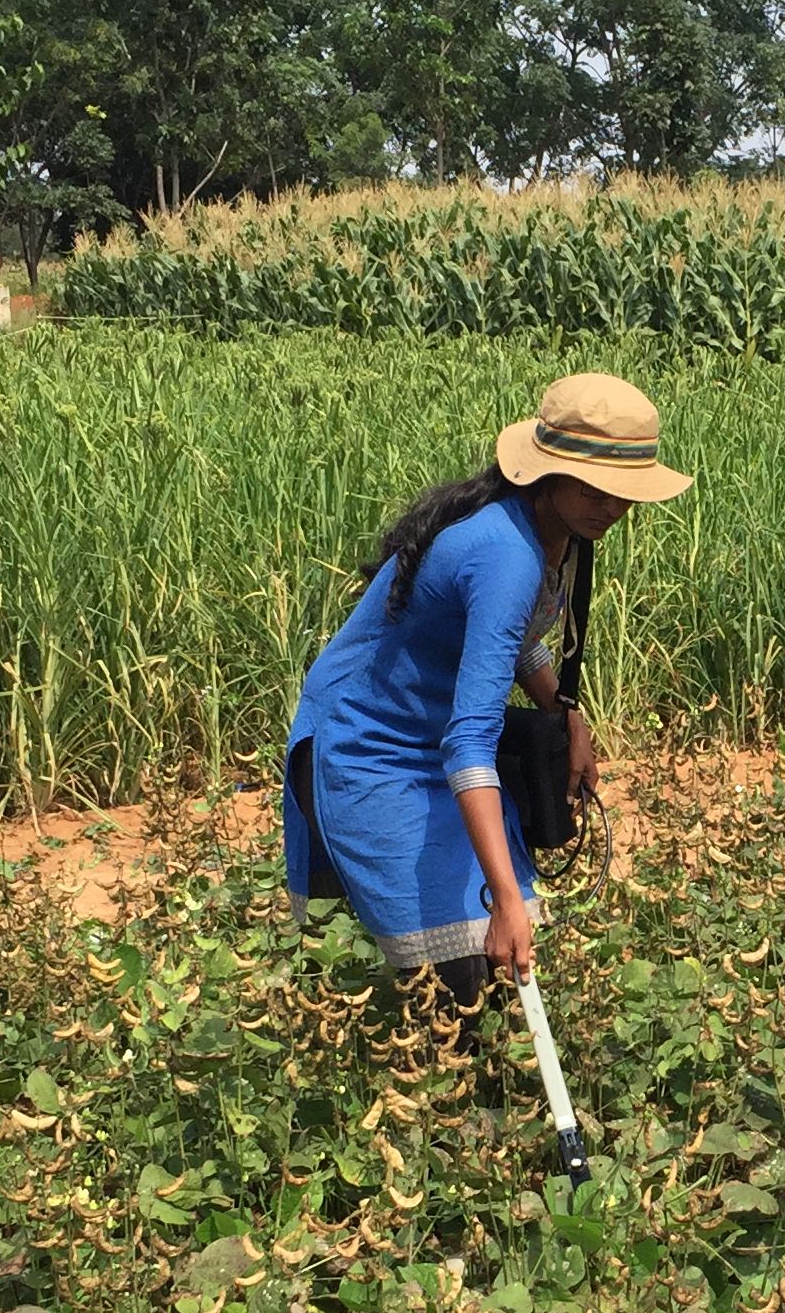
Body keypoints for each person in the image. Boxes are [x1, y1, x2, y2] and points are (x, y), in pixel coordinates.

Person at [282, 371, 690, 1006]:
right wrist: (504, 898)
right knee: (465, 974)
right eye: (592, 485)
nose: (609, 504)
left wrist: (566, 712)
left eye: (623, 491)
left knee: (499, 969)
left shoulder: (561, 533)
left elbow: (514, 639)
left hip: (436, 741)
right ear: (547, 469)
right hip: (371, 750)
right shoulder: (505, 552)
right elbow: (469, 741)